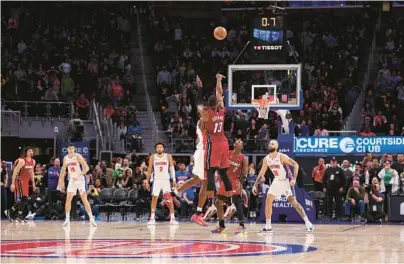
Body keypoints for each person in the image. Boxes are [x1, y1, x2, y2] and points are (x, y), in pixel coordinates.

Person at [253, 140, 314, 232]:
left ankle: (308, 223)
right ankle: (268, 225)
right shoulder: (266, 159)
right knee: (268, 199)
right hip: (277, 181)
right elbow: (261, 173)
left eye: (272, 144)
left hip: (286, 181)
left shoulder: (281, 156)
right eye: (269, 144)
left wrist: (294, 179)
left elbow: (295, 164)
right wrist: (255, 184)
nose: (270, 145)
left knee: (293, 202)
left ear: (277, 146)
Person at [172, 75, 209, 226]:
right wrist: (200, 89)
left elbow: (200, 104)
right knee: (204, 184)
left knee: (196, 180)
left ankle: (174, 192)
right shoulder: (203, 121)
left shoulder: (205, 120)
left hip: (202, 153)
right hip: (202, 153)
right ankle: (198, 213)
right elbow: (199, 104)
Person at [200, 74, 231, 201]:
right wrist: (218, 79)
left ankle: (211, 203)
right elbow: (219, 93)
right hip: (224, 143)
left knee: (210, 173)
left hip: (214, 144)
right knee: (224, 173)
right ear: (217, 103)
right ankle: (231, 201)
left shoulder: (207, 114)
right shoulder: (222, 110)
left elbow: (201, 107)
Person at [212, 139, 248, 234]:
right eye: (237, 142)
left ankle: (242, 225)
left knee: (236, 201)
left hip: (235, 181)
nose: (239, 143)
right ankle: (221, 225)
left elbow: (245, 174)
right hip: (225, 181)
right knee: (218, 202)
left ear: (242, 147)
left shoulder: (243, 158)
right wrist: (219, 175)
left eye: (241, 142)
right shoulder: (228, 153)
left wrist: (240, 183)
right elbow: (220, 165)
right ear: (234, 145)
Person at [57, 143, 97, 227]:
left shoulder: (78, 156)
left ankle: (91, 219)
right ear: (67, 149)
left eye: (72, 148)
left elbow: (86, 168)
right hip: (72, 180)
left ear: (74, 149)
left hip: (80, 180)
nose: (71, 150)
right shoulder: (65, 158)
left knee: (84, 199)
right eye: (69, 148)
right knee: (68, 199)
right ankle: (67, 219)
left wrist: (80, 175)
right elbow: (63, 170)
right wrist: (61, 181)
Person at [145, 142, 178, 225]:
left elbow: (171, 168)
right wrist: (147, 181)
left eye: (161, 147)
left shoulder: (168, 156)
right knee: (154, 198)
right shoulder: (152, 157)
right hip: (156, 180)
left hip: (166, 180)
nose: (159, 148)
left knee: (169, 199)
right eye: (158, 147)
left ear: (163, 148)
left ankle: (172, 218)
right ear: (156, 149)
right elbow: (149, 170)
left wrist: (174, 179)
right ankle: (152, 218)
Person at [6, 148, 36, 222]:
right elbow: (15, 172)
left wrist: (33, 183)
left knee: (24, 199)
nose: (31, 152)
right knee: (24, 198)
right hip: (19, 180)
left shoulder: (33, 161)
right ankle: (19, 216)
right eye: (29, 151)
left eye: (32, 151)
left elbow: (31, 172)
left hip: (26, 181)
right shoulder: (22, 161)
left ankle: (10, 212)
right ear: (26, 153)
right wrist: (12, 183)